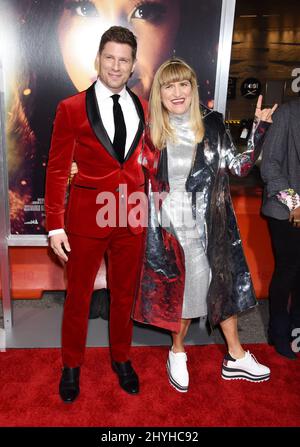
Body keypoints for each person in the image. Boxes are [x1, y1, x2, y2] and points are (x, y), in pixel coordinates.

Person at [133, 58, 277, 392]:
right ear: (160, 92)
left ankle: (230, 355)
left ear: (193, 86)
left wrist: (259, 130)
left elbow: (239, 168)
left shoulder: (211, 122)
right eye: (169, 85)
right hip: (168, 224)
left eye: (184, 83)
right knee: (188, 286)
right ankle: (183, 351)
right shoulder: (151, 127)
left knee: (220, 283)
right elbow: (136, 178)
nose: (178, 91)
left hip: (209, 222)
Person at [45, 26, 147, 402]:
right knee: (78, 298)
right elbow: (57, 170)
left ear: (133, 65)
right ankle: (71, 366)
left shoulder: (143, 106)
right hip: (87, 220)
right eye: (110, 58)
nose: (116, 66)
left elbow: (146, 160)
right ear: (98, 59)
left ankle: (122, 358)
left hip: (132, 216)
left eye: (123, 60)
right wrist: (55, 224)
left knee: (124, 296)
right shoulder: (71, 108)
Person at [260, 99, 300, 360]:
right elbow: (270, 164)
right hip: (286, 209)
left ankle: (297, 328)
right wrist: (295, 203)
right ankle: (278, 329)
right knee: (288, 270)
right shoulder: (288, 112)